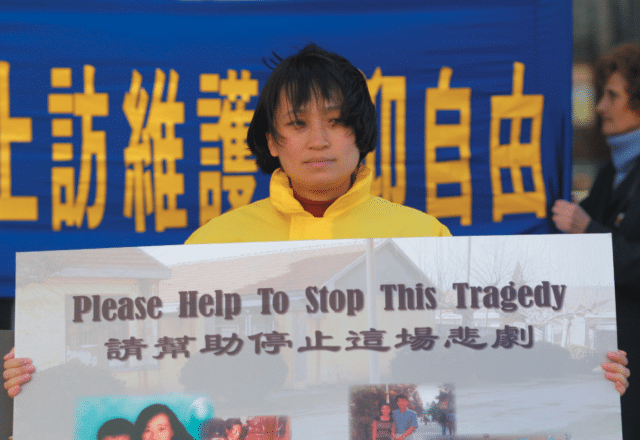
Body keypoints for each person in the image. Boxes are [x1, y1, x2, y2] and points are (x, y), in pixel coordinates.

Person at [2, 44, 631, 403]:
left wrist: (585, 375)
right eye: (298, 124)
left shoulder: (427, 239)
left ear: (364, 134)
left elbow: (476, 361)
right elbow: (157, 361)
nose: (320, 140)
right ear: (271, 141)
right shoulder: (211, 246)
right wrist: (42, 378)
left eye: (336, 120)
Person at [551, 42, 639, 438]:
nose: (601, 106)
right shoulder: (610, 172)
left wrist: (588, 228)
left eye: (612, 95)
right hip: (614, 356)